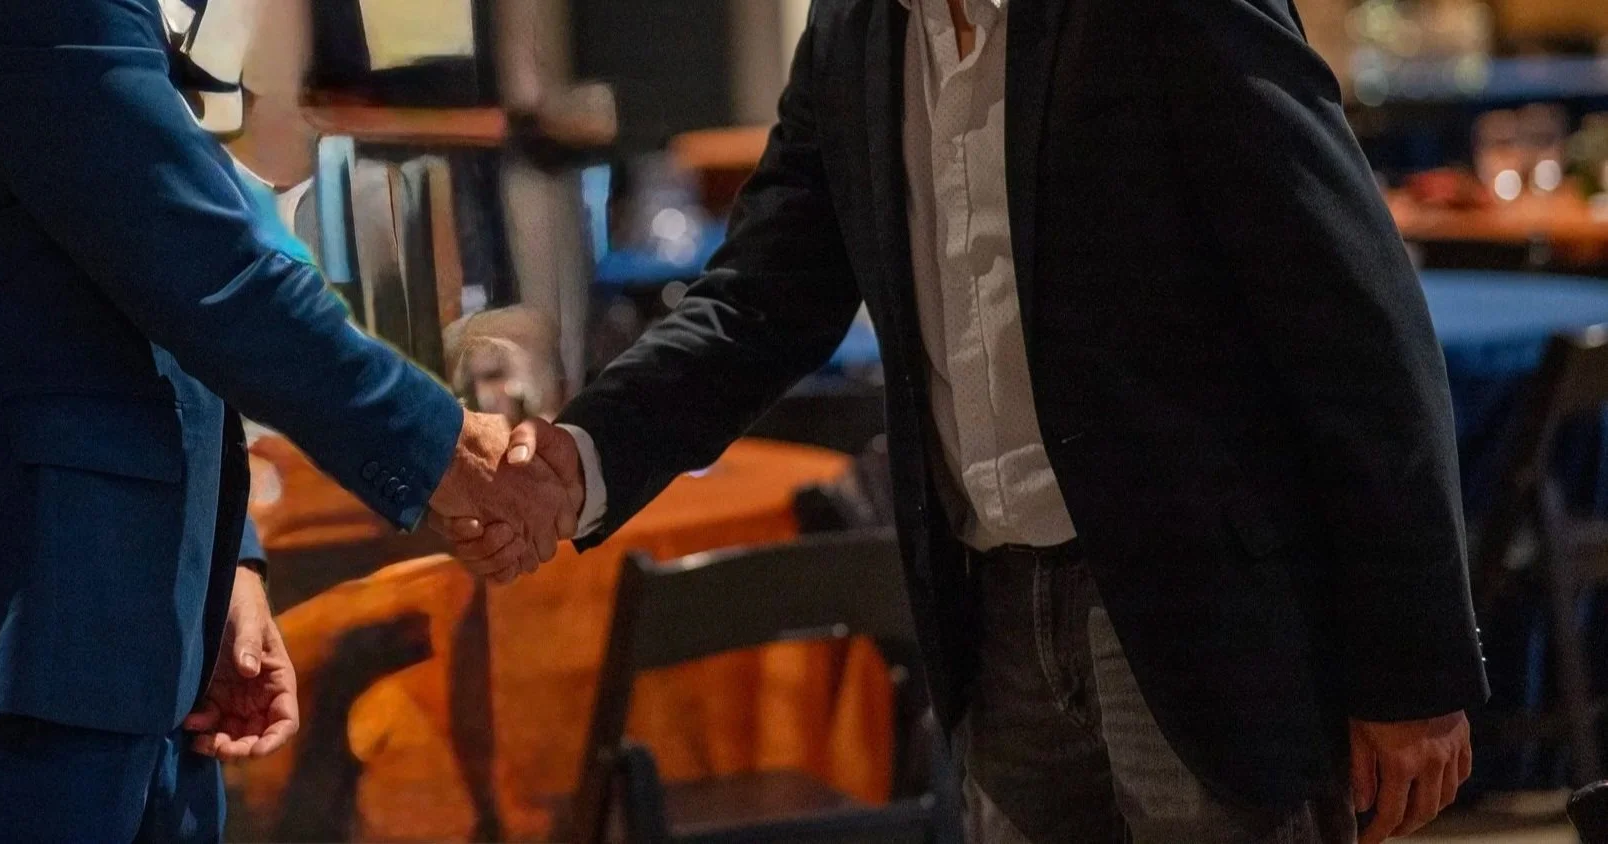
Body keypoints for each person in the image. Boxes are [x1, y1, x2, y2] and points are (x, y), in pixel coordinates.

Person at [494, 0, 1485, 841]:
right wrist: (579, 456)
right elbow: (760, 299)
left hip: (1204, 617)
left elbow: (1354, 313)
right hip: (993, 620)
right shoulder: (857, 31)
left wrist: (1413, 664)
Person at [0, 0, 568, 839]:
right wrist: (448, 448)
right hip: (1, 630)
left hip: (105, 625)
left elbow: (133, 287)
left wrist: (226, 561)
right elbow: (210, 275)